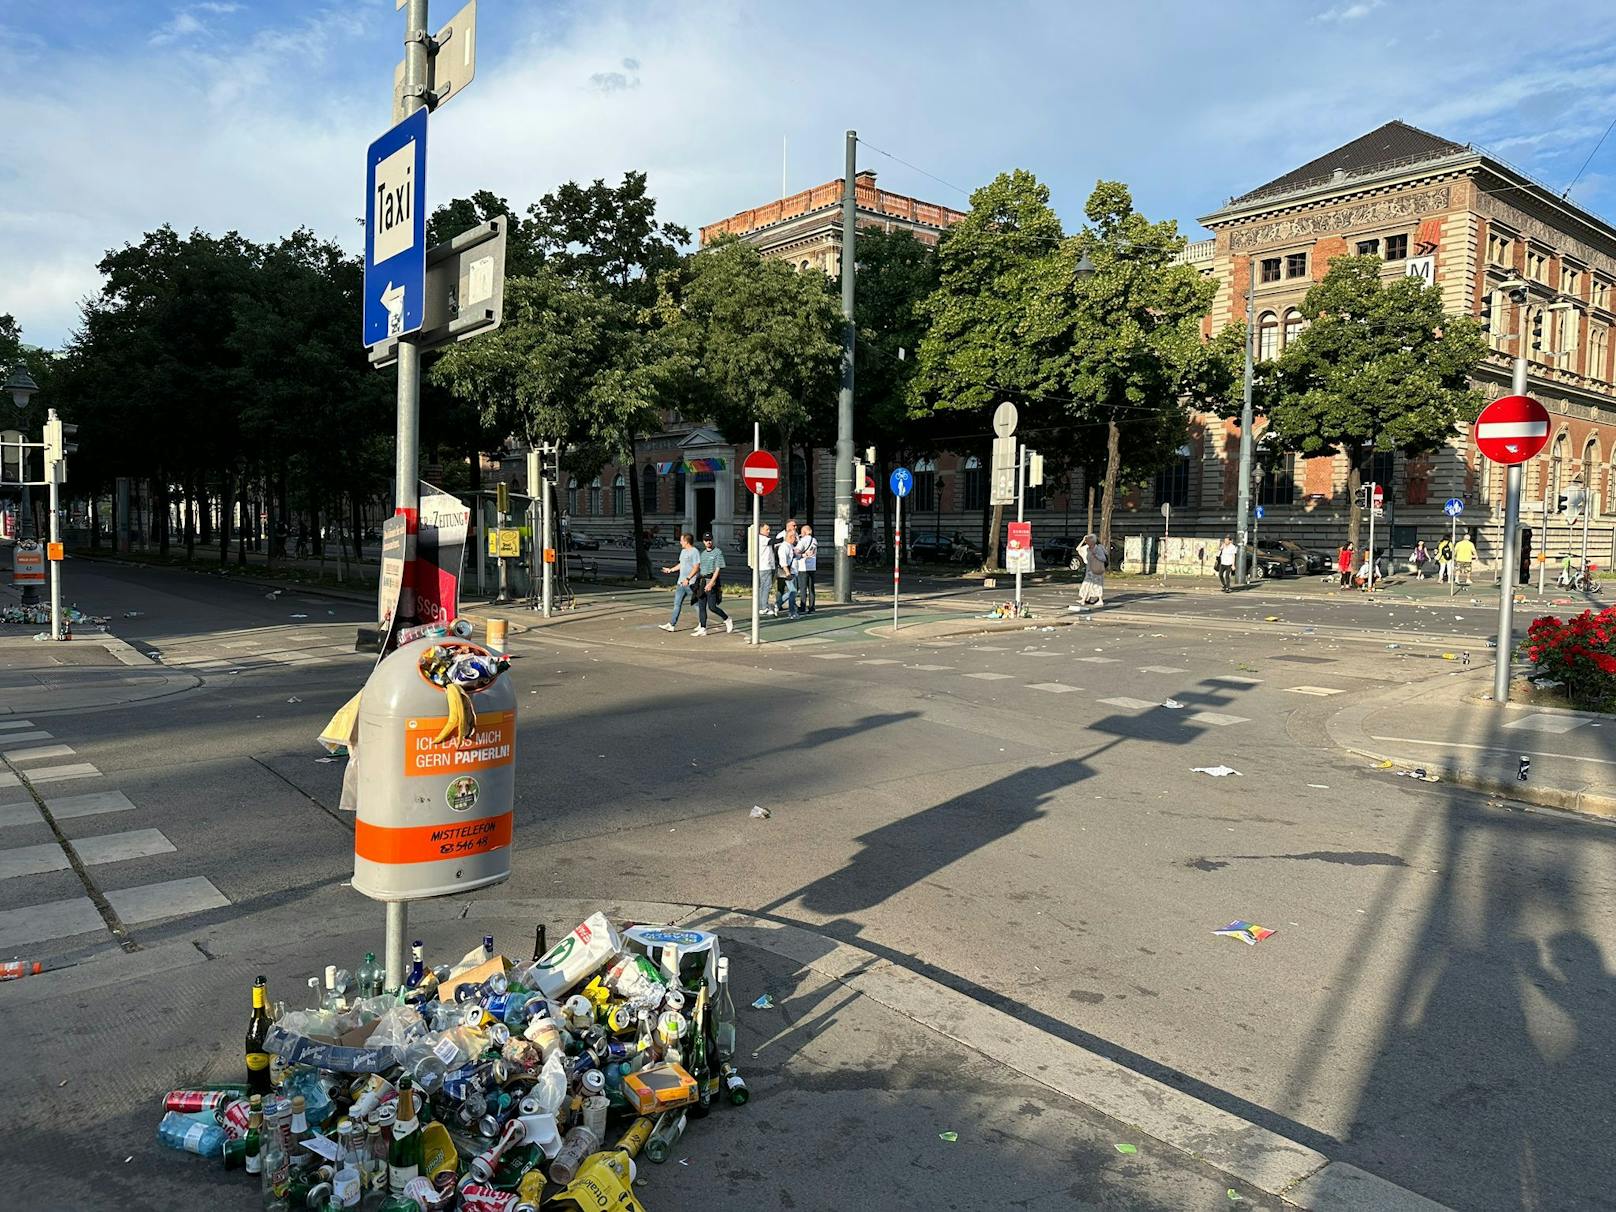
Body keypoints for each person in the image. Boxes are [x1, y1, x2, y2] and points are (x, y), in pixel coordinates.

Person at [658, 532, 700, 632]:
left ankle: (702, 624)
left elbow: (696, 567)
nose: (680, 542)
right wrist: (671, 570)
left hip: (691, 583)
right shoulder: (683, 551)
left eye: (681, 540)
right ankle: (672, 625)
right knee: (677, 604)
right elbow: (681, 564)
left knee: (696, 604)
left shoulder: (694, 552)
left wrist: (688, 579)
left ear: (686, 541)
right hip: (681, 583)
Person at [693, 533, 732, 635]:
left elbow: (718, 569)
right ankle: (703, 628)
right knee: (701, 606)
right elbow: (700, 568)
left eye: (710, 539)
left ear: (712, 540)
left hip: (712, 580)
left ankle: (727, 619)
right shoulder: (703, 554)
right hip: (702, 580)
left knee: (712, 607)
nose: (708, 542)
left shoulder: (717, 552)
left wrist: (711, 583)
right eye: (706, 540)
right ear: (703, 542)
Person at [774, 521, 800, 619]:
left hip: (792, 571)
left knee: (793, 591)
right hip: (787, 571)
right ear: (790, 537)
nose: (796, 539)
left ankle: (778, 604)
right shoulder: (784, 547)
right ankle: (791, 612)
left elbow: (796, 556)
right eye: (794, 537)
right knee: (793, 591)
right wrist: (787, 573)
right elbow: (783, 561)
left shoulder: (790, 546)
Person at [1077, 533, 1107, 606]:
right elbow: (1078, 549)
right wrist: (1083, 540)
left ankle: (1095, 600)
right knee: (1089, 584)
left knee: (1093, 584)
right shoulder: (1087, 548)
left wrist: (1095, 555)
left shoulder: (1098, 548)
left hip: (1097, 569)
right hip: (1090, 569)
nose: (1087, 542)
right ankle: (1085, 599)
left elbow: (1104, 558)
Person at [756, 522, 777, 617]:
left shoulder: (763, 538)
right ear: (760, 530)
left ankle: (762, 605)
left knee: (764, 587)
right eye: (767, 529)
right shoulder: (761, 538)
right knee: (766, 587)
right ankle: (764, 607)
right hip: (765, 567)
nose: (769, 531)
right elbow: (772, 541)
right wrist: (784, 538)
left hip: (767, 566)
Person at [797, 523, 818, 613]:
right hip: (812, 566)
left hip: (803, 566)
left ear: (804, 532)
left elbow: (797, 551)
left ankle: (803, 606)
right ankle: (812, 607)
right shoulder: (814, 540)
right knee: (811, 588)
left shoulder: (803, 540)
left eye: (801, 531)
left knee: (803, 588)